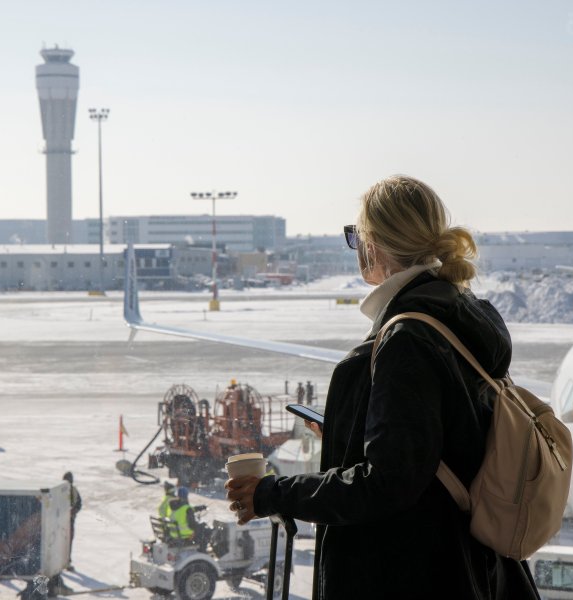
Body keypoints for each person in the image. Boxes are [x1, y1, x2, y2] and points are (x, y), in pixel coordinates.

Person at [226, 176, 540, 599]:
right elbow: (443, 442)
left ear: (374, 243)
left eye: (356, 236)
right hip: (466, 565)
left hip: (410, 571)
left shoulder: (408, 337)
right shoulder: (462, 317)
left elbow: (389, 482)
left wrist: (274, 492)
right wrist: (348, 432)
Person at [64, 472, 82, 571]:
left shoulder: (73, 491)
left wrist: (73, 511)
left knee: (68, 542)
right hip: (58, 522)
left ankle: (67, 562)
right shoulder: (59, 490)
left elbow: (79, 504)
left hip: (69, 520)